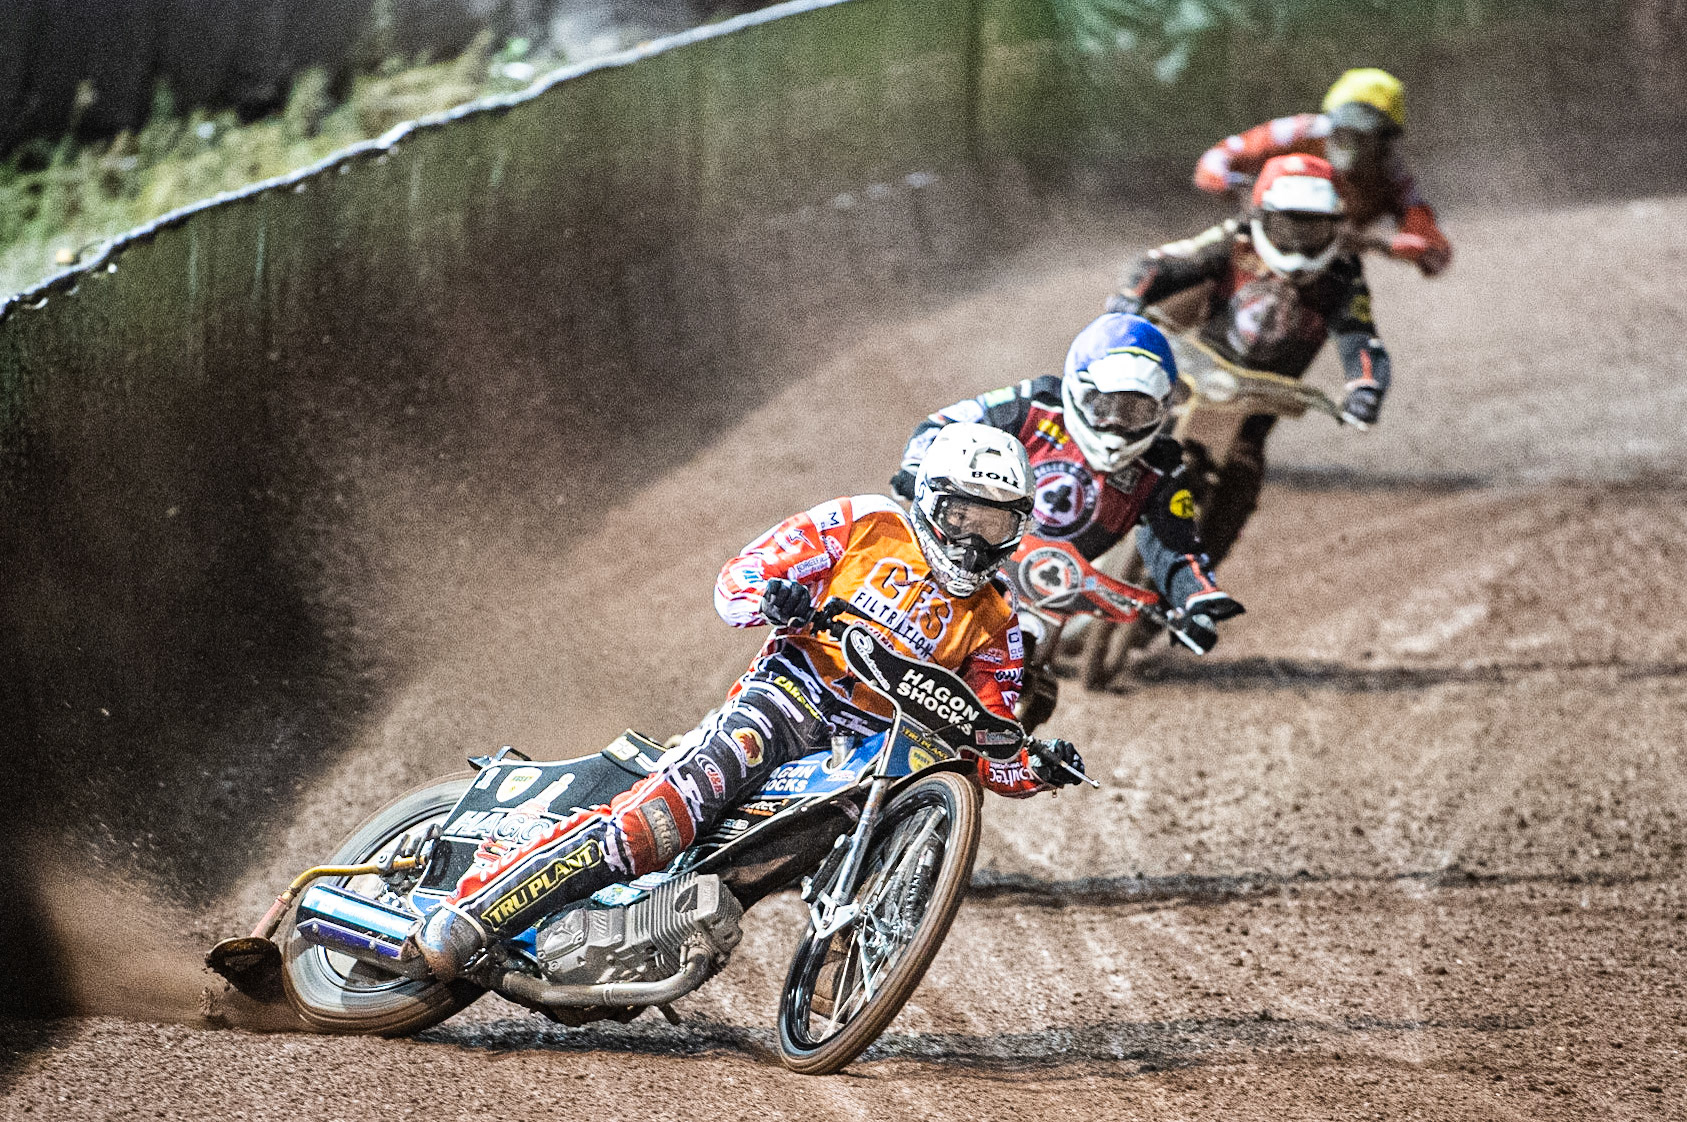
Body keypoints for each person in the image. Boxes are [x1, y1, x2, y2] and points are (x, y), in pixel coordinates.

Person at [406, 423, 1085, 982]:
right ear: (931, 500)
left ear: (1017, 529)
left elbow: (988, 737)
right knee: (664, 821)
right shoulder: (864, 523)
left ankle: (836, 959)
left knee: (888, 807)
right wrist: (773, 598)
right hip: (786, 699)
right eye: (962, 514)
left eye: (994, 525)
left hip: (865, 754)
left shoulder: (997, 620)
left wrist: (1034, 766)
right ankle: (474, 914)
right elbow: (741, 577)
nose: (973, 538)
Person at [892, 312, 1244, 656]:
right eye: (1104, 405)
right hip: (968, 548)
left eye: (1137, 413)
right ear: (1077, 388)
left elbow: (1177, 544)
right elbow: (945, 424)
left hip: (1053, 586)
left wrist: (1198, 597)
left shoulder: (1161, 465)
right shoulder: (1035, 403)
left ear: (1162, 410)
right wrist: (915, 468)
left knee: (1039, 690)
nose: (1117, 426)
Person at [1105, 153, 1390, 566]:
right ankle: (1069, 521)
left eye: (1312, 228)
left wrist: (1365, 387)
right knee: (1124, 430)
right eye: (1288, 225)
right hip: (1191, 376)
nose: (1297, 240)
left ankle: (1191, 586)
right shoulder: (1235, 239)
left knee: (1242, 476)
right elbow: (1166, 263)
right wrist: (1132, 296)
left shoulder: (1343, 274)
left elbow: (1358, 335)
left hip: (1257, 406)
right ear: (1261, 215)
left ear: (1335, 225)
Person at [1193, 67, 1452, 277]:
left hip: (1327, 271)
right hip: (1255, 245)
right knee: (1182, 267)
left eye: (1365, 134)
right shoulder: (1300, 131)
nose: (1350, 143)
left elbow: (1435, 251)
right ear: (1331, 118)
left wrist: (1404, 247)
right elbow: (1213, 162)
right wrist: (1242, 190)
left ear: (1386, 139)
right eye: (1343, 128)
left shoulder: (1393, 177)